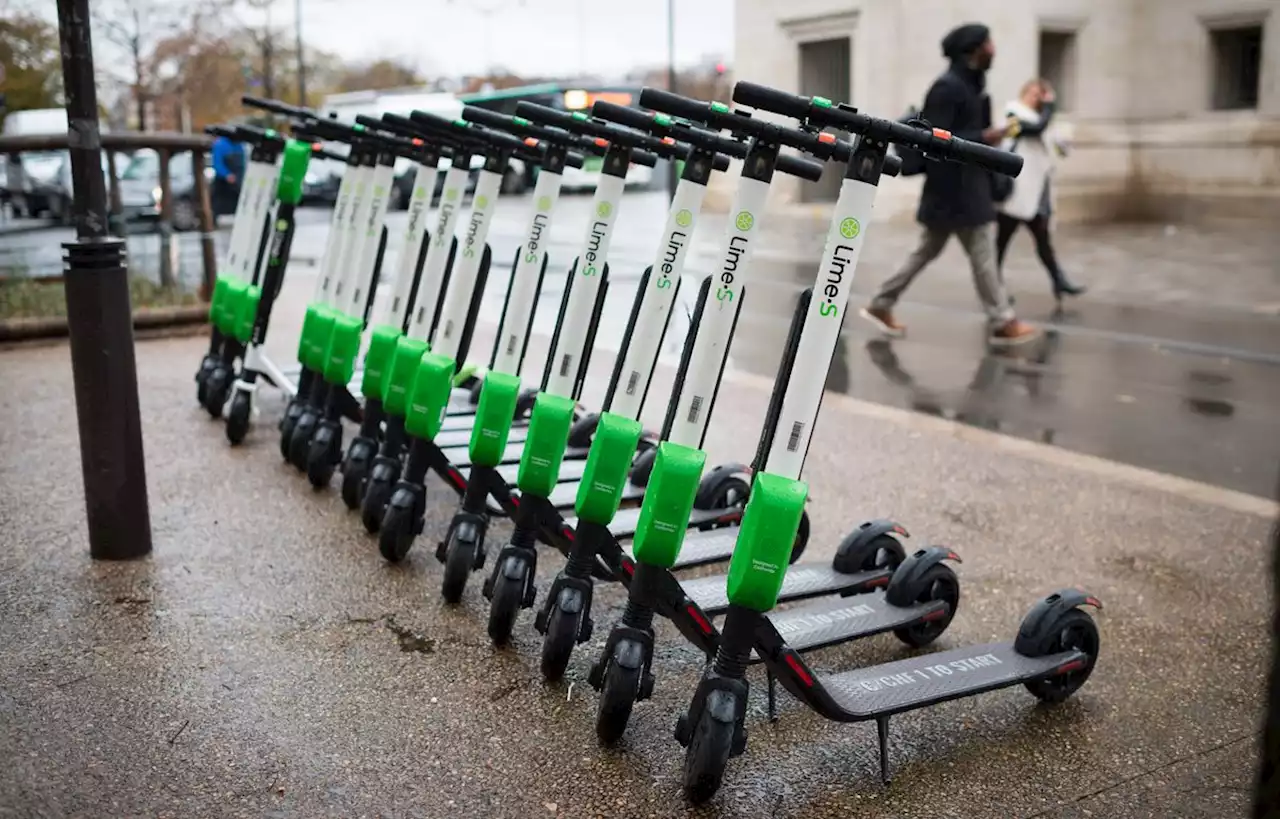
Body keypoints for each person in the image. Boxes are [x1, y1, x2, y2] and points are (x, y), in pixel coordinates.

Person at [861, 23, 1038, 345]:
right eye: (988, 43)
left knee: (927, 251)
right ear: (973, 50)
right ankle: (1002, 320)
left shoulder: (972, 87)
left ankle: (880, 304)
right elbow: (935, 140)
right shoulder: (947, 88)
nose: (994, 49)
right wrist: (984, 137)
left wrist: (988, 137)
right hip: (955, 189)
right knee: (980, 254)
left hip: (965, 186)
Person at [996, 79, 1085, 302]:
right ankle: (994, 289)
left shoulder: (1042, 120)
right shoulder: (1012, 113)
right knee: (1000, 243)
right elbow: (1033, 130)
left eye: (1041, 95)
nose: (1037, 99)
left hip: (1037, 191)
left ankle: (1058, 280)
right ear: (1024, 93)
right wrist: (1050, 108)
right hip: (1017, 190)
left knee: (1042, 240)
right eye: (1034, 94)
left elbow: (1059, 146)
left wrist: (1062, 138)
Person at [210, 132, 245, 219]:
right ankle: (213, 220)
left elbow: (243, 163)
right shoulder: (220, 145)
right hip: (223, 181)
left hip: (238, 177)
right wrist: (227, 175)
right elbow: (217, 163)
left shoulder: (239, 145)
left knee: (239, 201)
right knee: (217, 202)